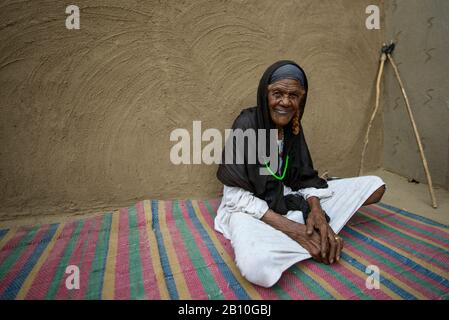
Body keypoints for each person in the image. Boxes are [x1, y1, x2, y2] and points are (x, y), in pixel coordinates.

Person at [215, 60, 386, 288]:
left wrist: (315, 209)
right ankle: (307, 237)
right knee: (259, 268)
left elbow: (303, 177)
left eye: (293, 96)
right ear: (265, 94)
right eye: (277, 93)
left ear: (301, 98)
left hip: (288, 199)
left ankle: (312, 234)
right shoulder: (246, 124)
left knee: (376, 186)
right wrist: (295, 231)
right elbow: (233, 197)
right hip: (251, 210)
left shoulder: (292, 126)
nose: (285, 102)